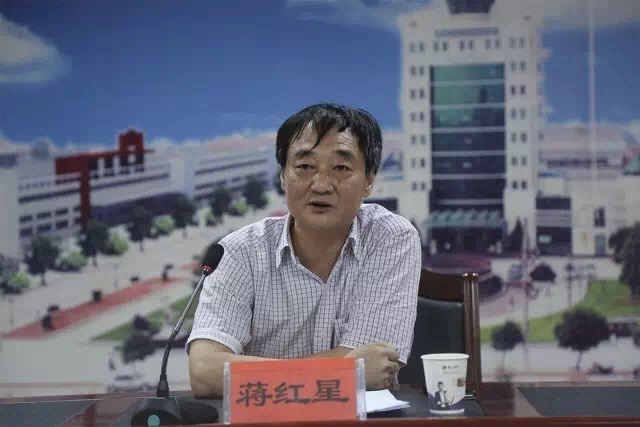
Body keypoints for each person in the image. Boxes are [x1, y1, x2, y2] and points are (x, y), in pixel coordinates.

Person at [187, 103, 422, 397]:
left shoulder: (389, 237)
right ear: (283, 176)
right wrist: (348, 370)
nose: (321, 185)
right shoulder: (240, 252)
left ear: (369, 181)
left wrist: (251, 374)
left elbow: (377, 368)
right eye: (305, 167)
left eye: (341, 168)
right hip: (267, 419)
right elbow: (205, 372)